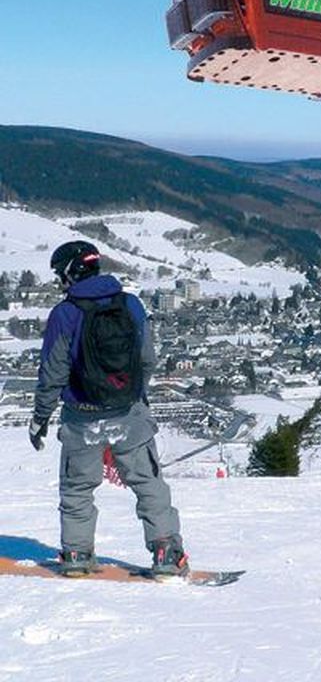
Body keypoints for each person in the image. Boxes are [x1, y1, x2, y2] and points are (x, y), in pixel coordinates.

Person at [28, 240, 188, 578]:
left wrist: (41, 416)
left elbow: (52, 372)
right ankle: (167, 553)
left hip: (81, 418)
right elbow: (146, 358)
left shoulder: (65, 313)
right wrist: (135, 396)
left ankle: (76, 553)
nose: (60, 281)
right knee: (148, 483)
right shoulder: (130, 304)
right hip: (129, 414)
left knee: (77, 488)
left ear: (71, 271)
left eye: (61, 274)